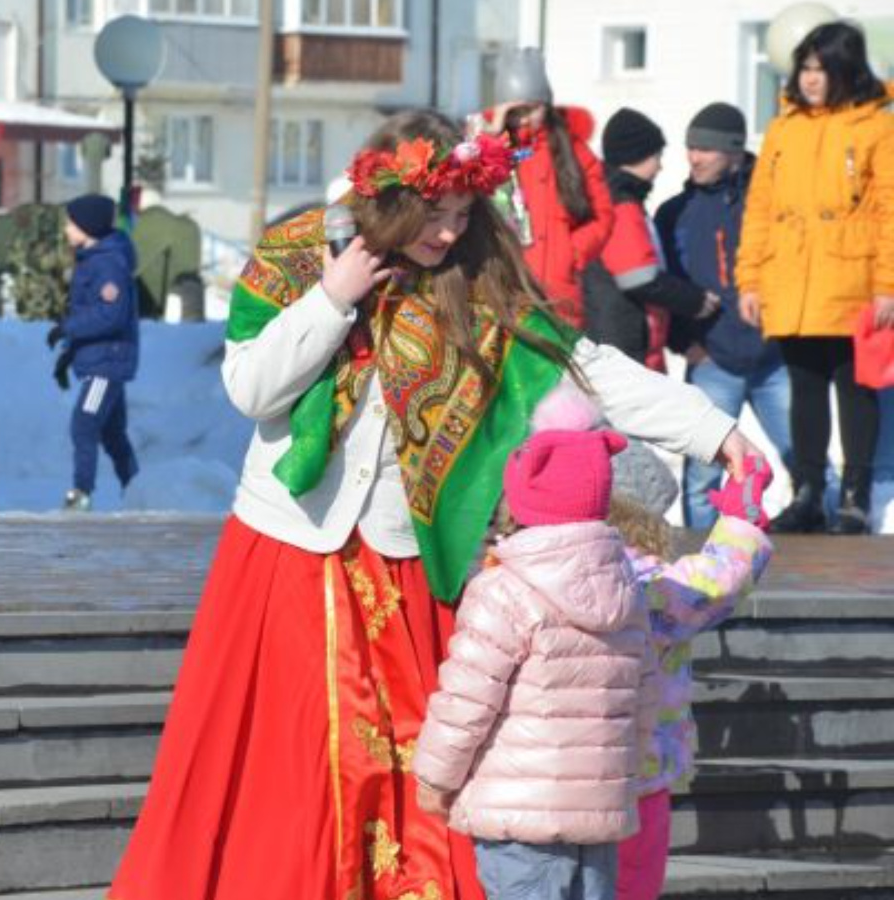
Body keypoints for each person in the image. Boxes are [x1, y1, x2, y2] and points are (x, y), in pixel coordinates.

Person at [106, 109, 760, 900]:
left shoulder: (478, 282)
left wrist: (713, 431)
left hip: (411, 552)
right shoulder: (301, 251)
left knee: (416, 760)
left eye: (461, 217)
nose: (448, 234)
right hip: (290, 551)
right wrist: (332, 297)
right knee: (297, 757)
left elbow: (583, 365)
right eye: (435, 216)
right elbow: (253, 389)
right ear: (390, 200)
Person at [415, 387, 656, 900]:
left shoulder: (504, 590)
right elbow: (643, 700)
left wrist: (436, 778)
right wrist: (624, 778)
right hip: (599, 812)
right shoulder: (626, 589)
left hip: (517, 814)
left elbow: (467, 701)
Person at [736, 21, 894, 534]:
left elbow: (892, 210)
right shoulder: (784, 128)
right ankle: (807, 492)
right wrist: (750, 280)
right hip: (791, 277)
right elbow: (759, 207)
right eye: (805, 67)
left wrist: (887, 285)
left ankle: (853, 496)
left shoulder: (877, 126)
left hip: (853, 277)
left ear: (844, 70)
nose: (810, 78)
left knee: (856, 388)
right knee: (803, 387)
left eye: (821, 68)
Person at [609, 452, 773, 900]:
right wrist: (740, 522)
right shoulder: (645, 585)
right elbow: (715, 583)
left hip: (552, 778)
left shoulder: (529, 569)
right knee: (632, 884)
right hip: (636, 774)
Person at [658, 102, 792, 529]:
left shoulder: (769, 202)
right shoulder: (674, 212)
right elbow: (666, 286)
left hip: (777, 358)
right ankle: (702, 574)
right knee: (702, 475)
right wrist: (685, 344)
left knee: (804, 460)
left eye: (705, 149)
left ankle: (827, 561)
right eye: (690, 147)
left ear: (734, 152)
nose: (694, 157)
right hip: (711, 359)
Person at [481, 48, 615, 328]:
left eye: (533, 109)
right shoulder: (489, 149)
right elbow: (468, 193)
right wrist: (491, 138)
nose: (525, 119)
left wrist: (572, 252)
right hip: (505, 289)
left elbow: (602, 213)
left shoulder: (574, 150)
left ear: (548, 105)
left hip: (558, 293)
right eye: (516, 111)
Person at [585, 108, 719, 370]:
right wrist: (697, 301)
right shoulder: (621, 205)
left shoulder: (610, 197)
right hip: (625, 345)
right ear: (638, 156)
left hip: (620, 341)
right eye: (657, 156)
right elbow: (639, 277)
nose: (660, 165)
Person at [48, 194, 140, 512]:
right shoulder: (94, 258)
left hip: (106, 364)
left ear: (87, 226)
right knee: (113, 434)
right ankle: (137, 489)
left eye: (70, 222)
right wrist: (68, 355)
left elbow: (111, 314)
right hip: (101, 359)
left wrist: (68, 328)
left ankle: (81, 492)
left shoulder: (107, 263)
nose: (65, 228)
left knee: (84, 424)